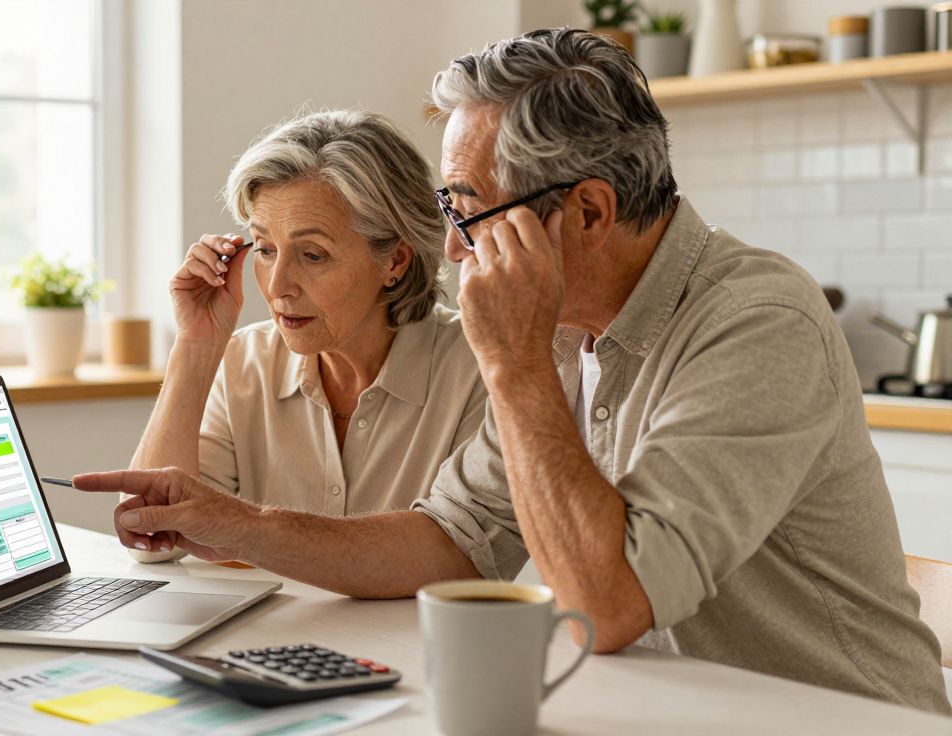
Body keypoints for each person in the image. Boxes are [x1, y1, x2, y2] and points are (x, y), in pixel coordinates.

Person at [73, 29, 951, 713]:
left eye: (465, 210)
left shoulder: (758, 326)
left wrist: (515, 363)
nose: (450, 247)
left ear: (589, 212)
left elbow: (607, 604)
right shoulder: (564, 330)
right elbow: (445, 537)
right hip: (672, 711)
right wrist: (241, 523)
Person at [126, 109, 486, 563]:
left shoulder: (476, 368)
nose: (278, 286)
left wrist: (246, 528)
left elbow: (458, 557)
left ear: (394, 261)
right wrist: (195, 346)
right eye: (264, 249)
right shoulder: (242, 362)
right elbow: (149, 540)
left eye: (313, 255)